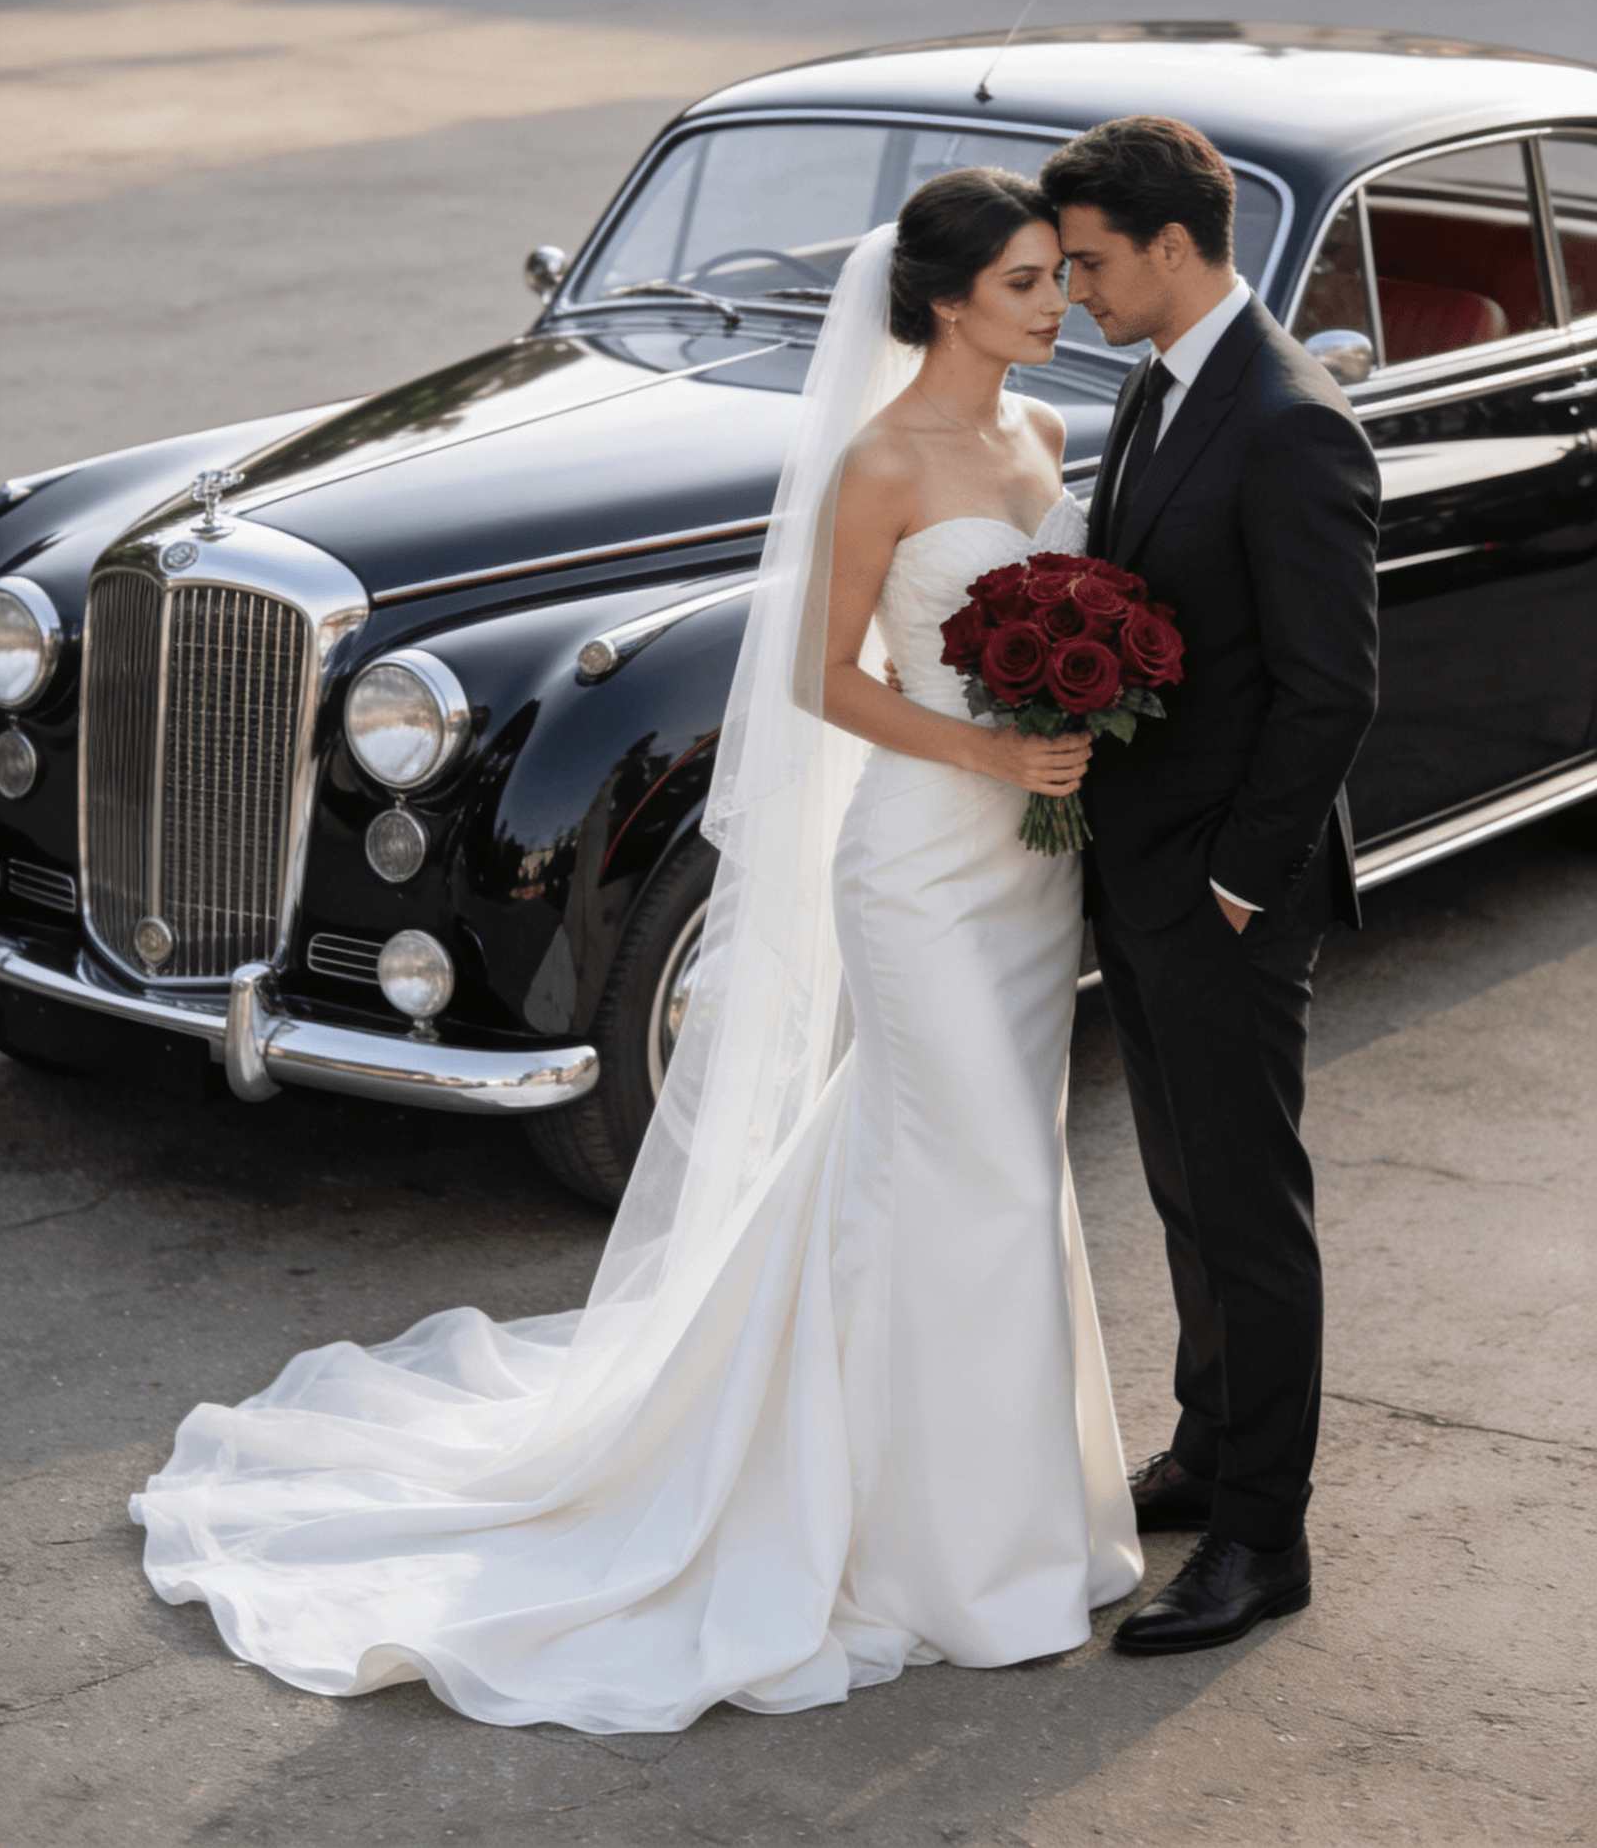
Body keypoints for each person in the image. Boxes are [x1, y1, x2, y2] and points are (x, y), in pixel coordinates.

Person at [130, 169, 1142, 1734]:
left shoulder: (1045, 435)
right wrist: (998, 754)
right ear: (947, 300)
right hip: (924, 863)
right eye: (1026, 283)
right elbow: (821, 682)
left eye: (1057, 281)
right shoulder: (878, 461)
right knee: (983, 1172)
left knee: (978, 1169)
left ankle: (1006, 1522)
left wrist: (1064, 720)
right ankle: (939, 1553)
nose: (1056, 304)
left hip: (1027, 880)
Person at [1039, 118, 1381, 1655]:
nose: (1077, 289)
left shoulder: (1291, 420)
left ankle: (1265, 1541)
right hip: (1145, 873)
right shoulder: (1155, 383)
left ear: (1176, 250)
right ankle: (1206, 1446)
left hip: (1225, 898)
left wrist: (1241, 887)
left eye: (1095, 262)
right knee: (1183, 1190)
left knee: (1251, 1214)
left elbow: (1331, 692)